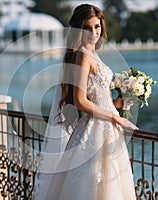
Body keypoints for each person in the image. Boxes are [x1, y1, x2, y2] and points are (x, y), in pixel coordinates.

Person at [33, 4, 138, 200]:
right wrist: (116, 119)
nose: (93, 32)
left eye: (97, 27)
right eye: (87, 28)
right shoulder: (82, 56)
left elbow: (98, 99)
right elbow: (80, 101)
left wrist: (119, 104)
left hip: (107, 126)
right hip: (93, 131)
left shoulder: (94, 55)